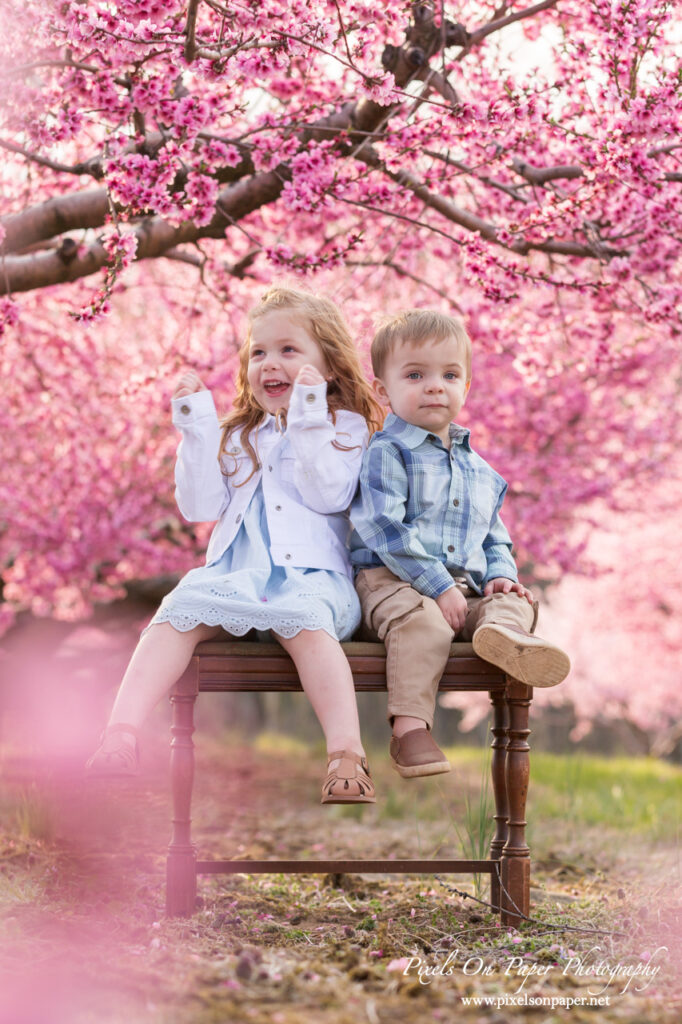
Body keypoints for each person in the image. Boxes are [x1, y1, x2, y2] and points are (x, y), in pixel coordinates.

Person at [87, 286, 384, 804]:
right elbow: (199, 506)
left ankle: (346, 756)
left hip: (312, 581)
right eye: (259, 352)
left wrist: (308, 416)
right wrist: (197, 431)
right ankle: (120, 735)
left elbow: (329, 492)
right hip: (235, 578)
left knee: (312, 629)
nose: (271, 363)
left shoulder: (344, 427)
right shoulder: (236, 434)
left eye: (289, 350)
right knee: (175, 613)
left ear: (329, 366)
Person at [350, 309, 570, 780]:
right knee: (423, 621)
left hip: (462, 592)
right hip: (392, 585)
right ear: (383, 392)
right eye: (416, 375)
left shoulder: (480, 470)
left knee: (517, 605)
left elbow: (494, 538)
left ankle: (505, 638)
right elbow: (385, 528)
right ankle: (409, 730)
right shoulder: (388, 452)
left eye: (450, 375)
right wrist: (436, 585)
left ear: (466, 388)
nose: (435, 386)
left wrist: (502, 578)